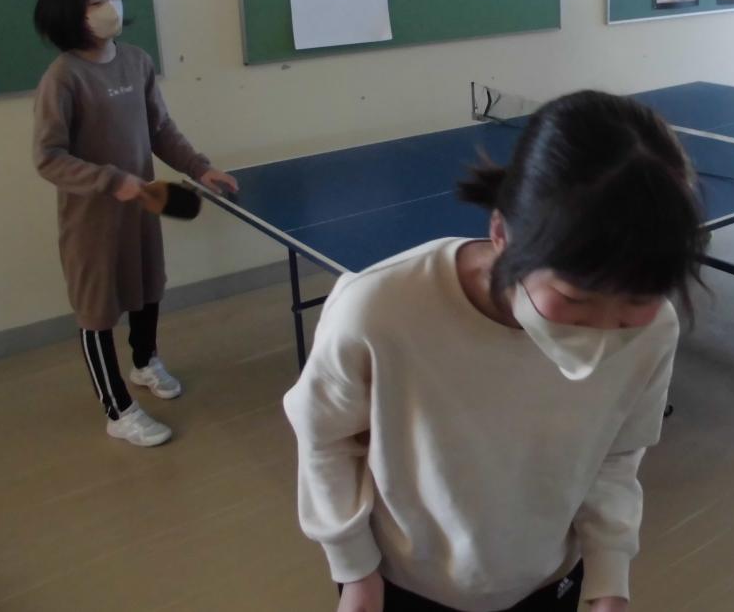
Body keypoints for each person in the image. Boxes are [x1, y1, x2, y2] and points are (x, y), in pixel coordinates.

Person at [282, 90, 707, 612]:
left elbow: (616, 456)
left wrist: (608, 576)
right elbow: (324, 438)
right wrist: (355, 570)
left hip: (547, 578)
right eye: (577, 298)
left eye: (636, 301)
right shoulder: (378, 309)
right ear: (503, 233)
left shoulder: (654, 330)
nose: (604, 329)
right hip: (402, 582)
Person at [32, 0, 238, 446]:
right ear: (69, 15)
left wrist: (199, 167)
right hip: (91, 220)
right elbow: (49, 158)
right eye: (94, 2)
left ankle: (144, 362)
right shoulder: (63, 77)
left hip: (141, 207)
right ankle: (118, 410)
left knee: (147, 287)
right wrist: (109, 180)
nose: (109, 7)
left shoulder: (137, 61)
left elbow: (159, 129)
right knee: (97, 310)